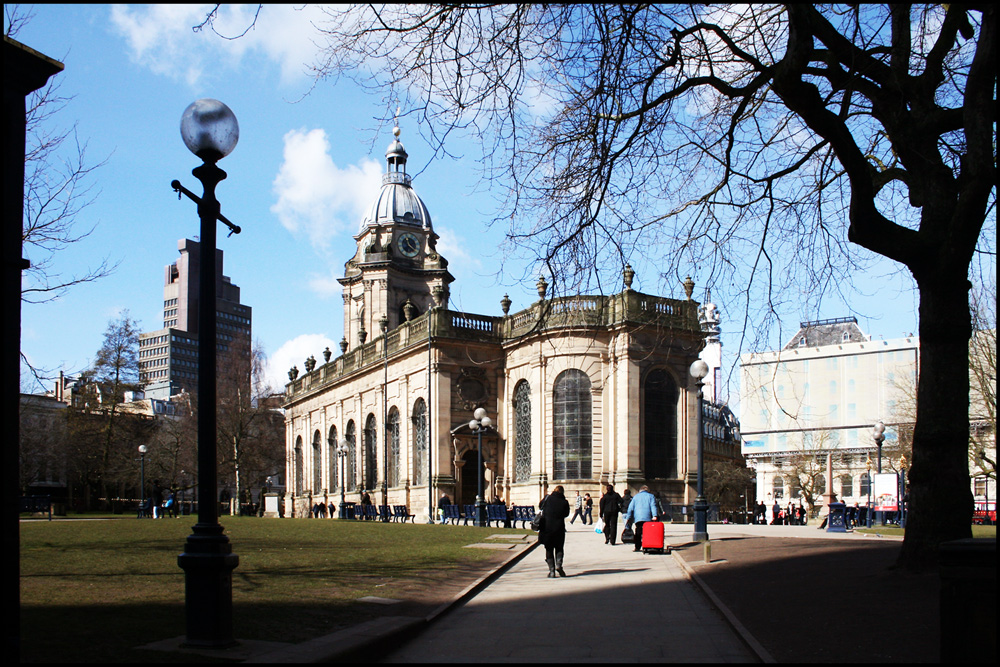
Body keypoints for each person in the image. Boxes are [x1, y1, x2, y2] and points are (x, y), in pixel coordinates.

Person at [538, 485, 570, 577]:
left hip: (547, 527)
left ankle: (552, 571)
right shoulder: (564, 502)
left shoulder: (547, 498)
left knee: (549, 548)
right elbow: (566, 514)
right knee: (559, 547)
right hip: (559, 527)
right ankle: (559, 565)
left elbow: (540, 506)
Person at [623, 485, 658, 552]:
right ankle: (646, 545)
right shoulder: (651, 496)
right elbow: (653, 506)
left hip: (638, 517)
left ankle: (637, 547)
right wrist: (654, 515)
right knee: (647, 532)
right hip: (647, 517)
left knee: (638, 532)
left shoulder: (636, 497)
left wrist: (628, 517)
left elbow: (630, 508)